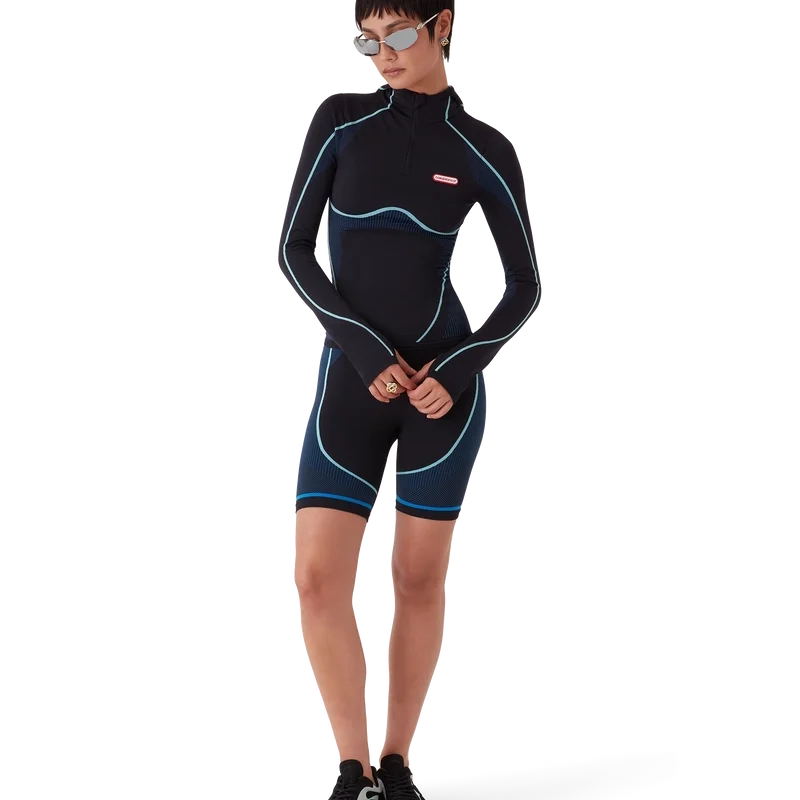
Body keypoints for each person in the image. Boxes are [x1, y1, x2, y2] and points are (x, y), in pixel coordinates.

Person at [279, 2, 541, 796]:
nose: (382, 55)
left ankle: (396, 758)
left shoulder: (482, 146)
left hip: (440, 393)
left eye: (398, 36)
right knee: (317, 576)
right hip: (351, 384)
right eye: (369, 40)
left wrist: (454, 371)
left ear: (442, 27)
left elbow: (521, 288)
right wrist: (363, 352)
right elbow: (296, 252)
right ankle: (349, 761)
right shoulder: (341, 120)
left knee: (419, 578)